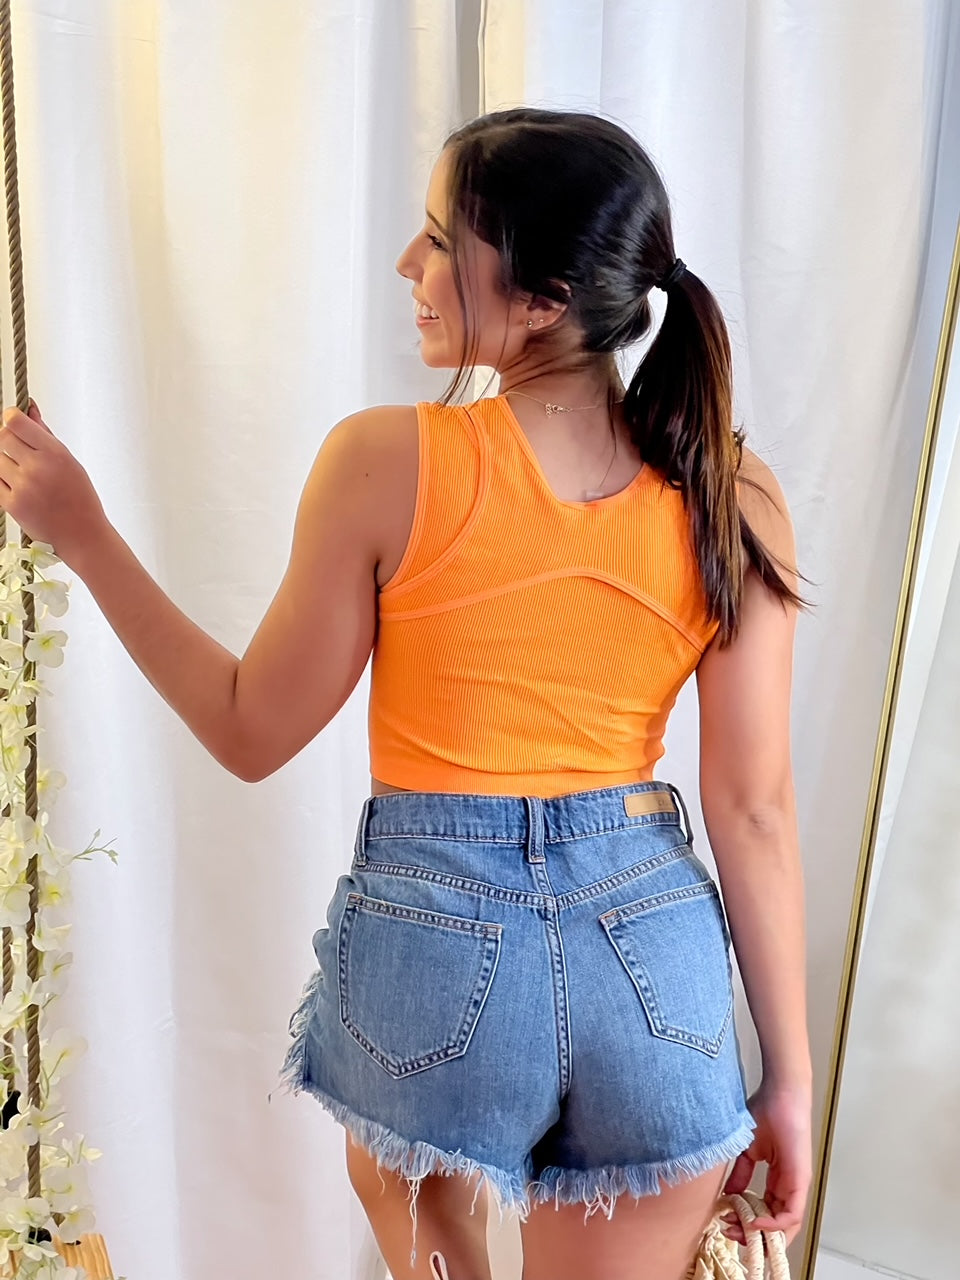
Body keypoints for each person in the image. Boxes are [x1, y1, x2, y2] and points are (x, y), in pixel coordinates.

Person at [0, 108, 812, 1280]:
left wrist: (84, 533)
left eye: (439, 241)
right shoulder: (735, 493)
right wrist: (788, 1078)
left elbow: (248, 729)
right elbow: (755, 809)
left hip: (438, 951)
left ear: (542, 300)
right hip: (654, 972)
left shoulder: (387, 461)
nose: (406, 265)